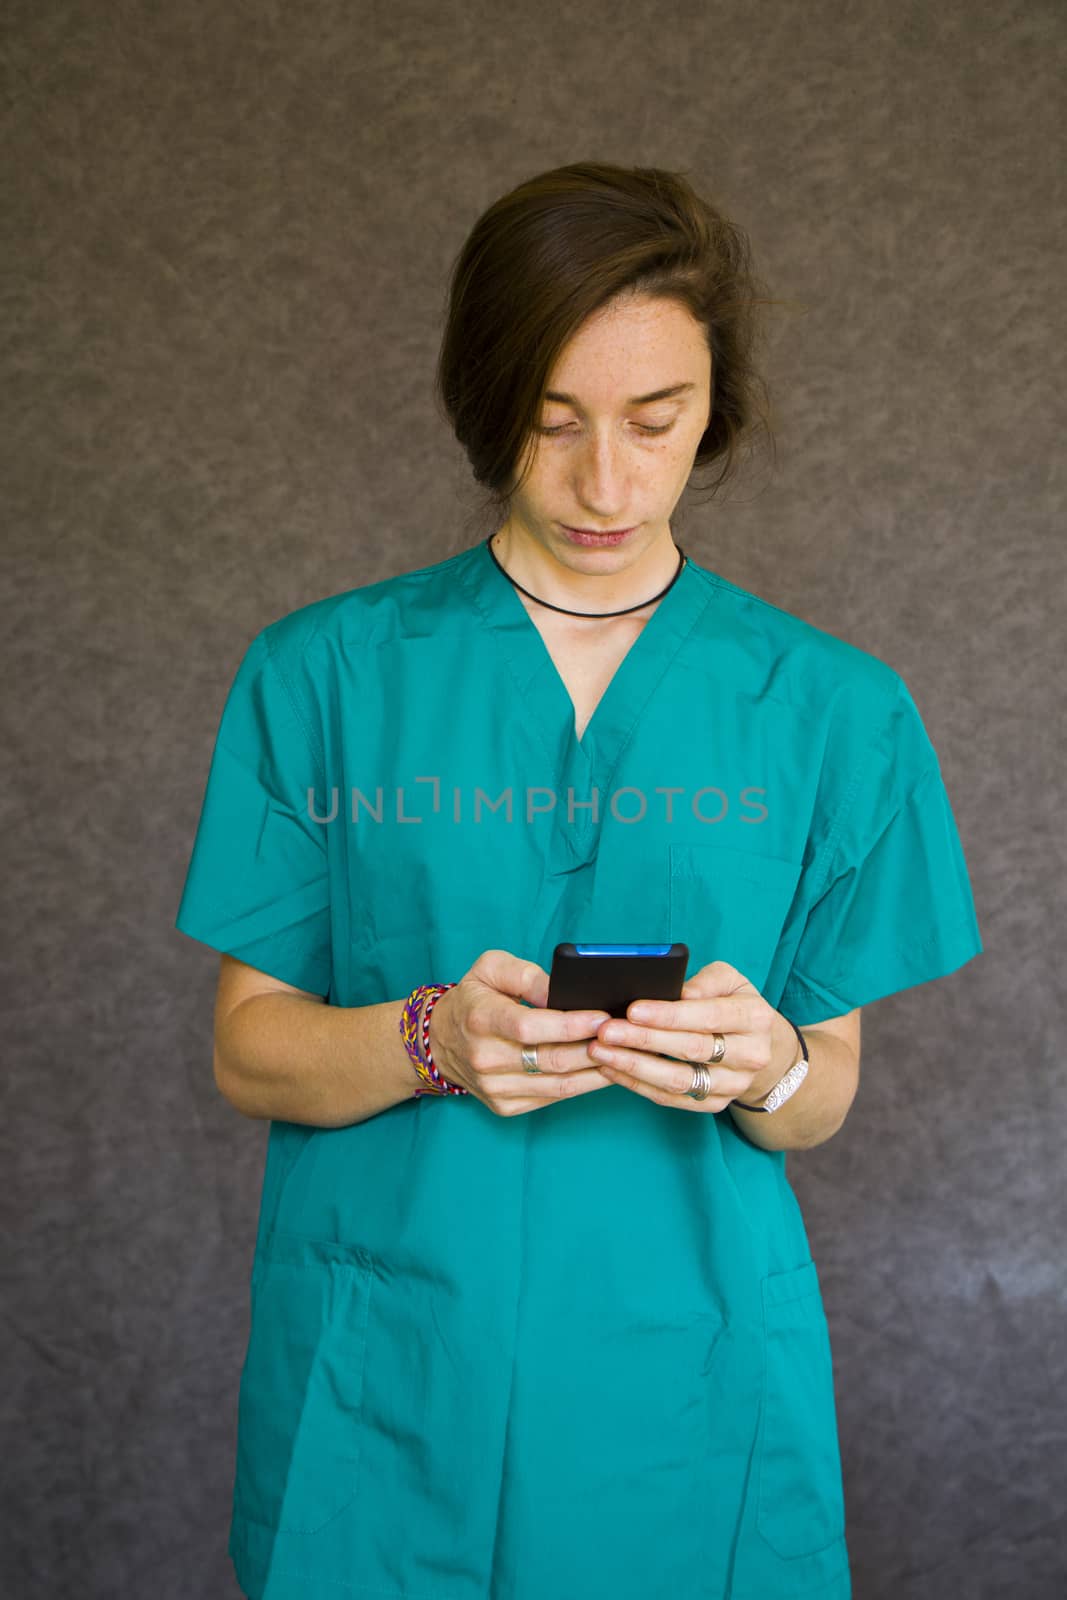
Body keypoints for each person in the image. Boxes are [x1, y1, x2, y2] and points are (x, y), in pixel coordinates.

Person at [175, 163, 983, 1600]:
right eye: (553, 426)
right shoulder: (324, 678)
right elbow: (251, 1050)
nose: (606, 483)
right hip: (393, 1379)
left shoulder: (833, 711)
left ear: (711, 414)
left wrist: (767, 1061)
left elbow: (826, 1093)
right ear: (486, 409)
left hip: (692, 1383)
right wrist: (430, 1038)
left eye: (654, 423)